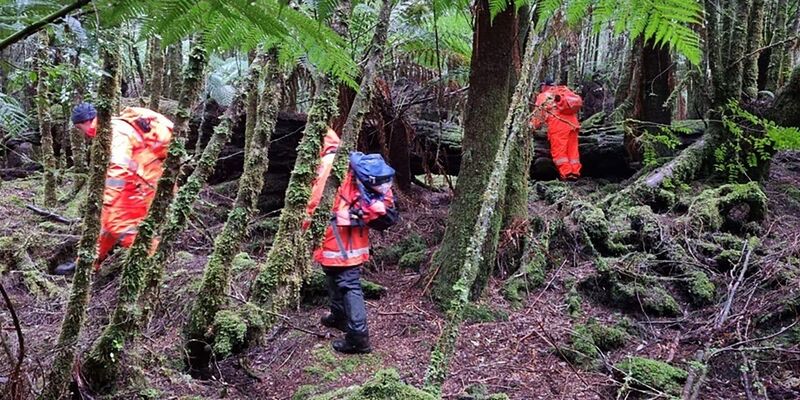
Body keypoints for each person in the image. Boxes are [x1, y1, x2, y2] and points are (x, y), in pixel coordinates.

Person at [302, 128, 395, 354]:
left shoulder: (327, 164)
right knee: (333, 274)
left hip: (338, 235)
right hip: (351, 233)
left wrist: (305, 228)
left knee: (348, 282)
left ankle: (358, 337)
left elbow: (315, 201)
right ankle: (339, 316)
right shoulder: (347, 159)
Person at [54, 103, 173, 275]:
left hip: (141, 185)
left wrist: (109, 199)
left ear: (86, 122)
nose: (82, 133)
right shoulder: (110, 130)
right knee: (105, 224)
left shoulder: (116, 131)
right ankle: (86, 264)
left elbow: (119, 166)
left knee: (121, 226)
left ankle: (156, 264)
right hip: (135, 182)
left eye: (80, 128)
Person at [530, 78, 584, 181]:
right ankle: (575, 172)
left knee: (559, 152)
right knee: (573, 151)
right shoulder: (564, 91)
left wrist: (531, 127)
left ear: (544, 86)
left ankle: (567, 173)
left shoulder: (544, 96)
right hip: (573, 124)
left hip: (558, 126)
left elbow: (539, 116)